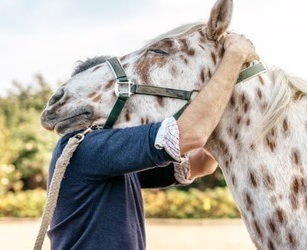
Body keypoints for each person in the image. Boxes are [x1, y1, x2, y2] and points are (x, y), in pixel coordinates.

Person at [47, 33, 258, 249]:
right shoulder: (87, 148)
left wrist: (215, 94)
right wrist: (233, 57)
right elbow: (190, 134)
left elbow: (202, 164)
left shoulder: (113, 163)